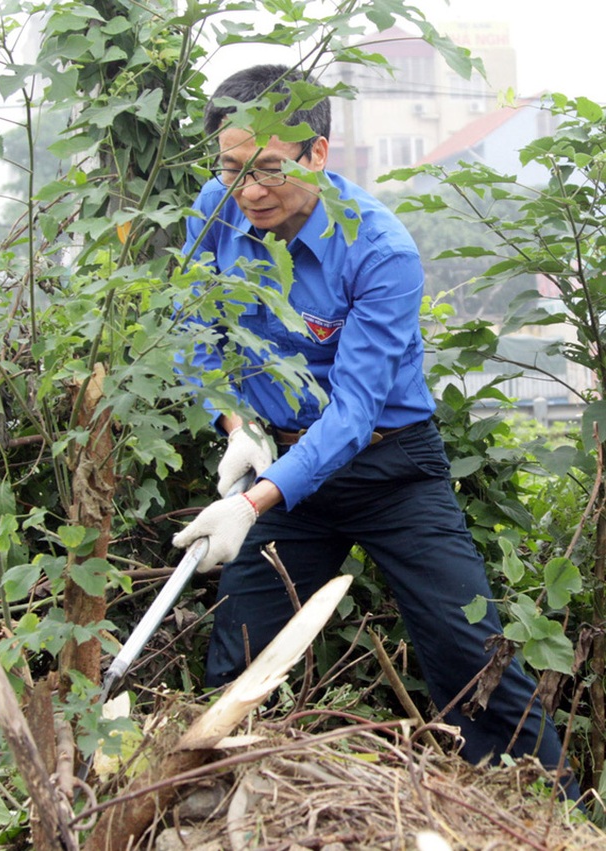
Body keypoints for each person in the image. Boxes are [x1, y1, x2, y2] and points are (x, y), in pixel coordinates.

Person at [172, 64, 581, 801]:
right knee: (240, 644)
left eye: (268, 169)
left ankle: (556, 812)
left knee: (467, 650)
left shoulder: (379, 249)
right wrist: (236, 423)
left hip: (390, 470)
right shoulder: (216, 209)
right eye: (232, 169)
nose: (249, 191)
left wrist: (253, 502)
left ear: (318, 154)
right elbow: (195, 330)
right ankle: (220, 799)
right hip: (280, 461)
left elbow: (355, 411)